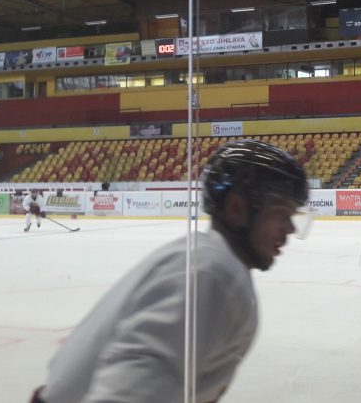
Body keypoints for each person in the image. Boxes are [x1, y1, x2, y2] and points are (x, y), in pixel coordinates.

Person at [31, 140, 308, 403]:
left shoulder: (208, 262)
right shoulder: (210, 276)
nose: (291, 228)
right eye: (281, 213)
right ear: (236, 209)